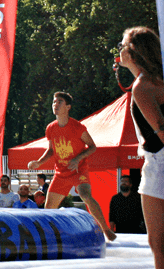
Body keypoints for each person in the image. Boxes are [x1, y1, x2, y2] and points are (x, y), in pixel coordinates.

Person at [27, 91, 116, 240]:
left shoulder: (77, 127)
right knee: (48, 208)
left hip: (78, 170)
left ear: (68, 107)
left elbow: (92, 146)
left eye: (59, 102)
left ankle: (105, 229)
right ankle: (47, 236)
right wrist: (39, 162)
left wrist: (78, 159)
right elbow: (51, 150)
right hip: (61, 173)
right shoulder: (51, 128)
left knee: (86, 195)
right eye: (54, 102)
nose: (55, 104)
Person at [118, 26, 164, 269]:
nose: (120, 50)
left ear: (134, 52)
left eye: (123, 45)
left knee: (158, 243)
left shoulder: (143, 87)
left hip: (159, 165)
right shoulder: (157, 81)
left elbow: (161, 131)